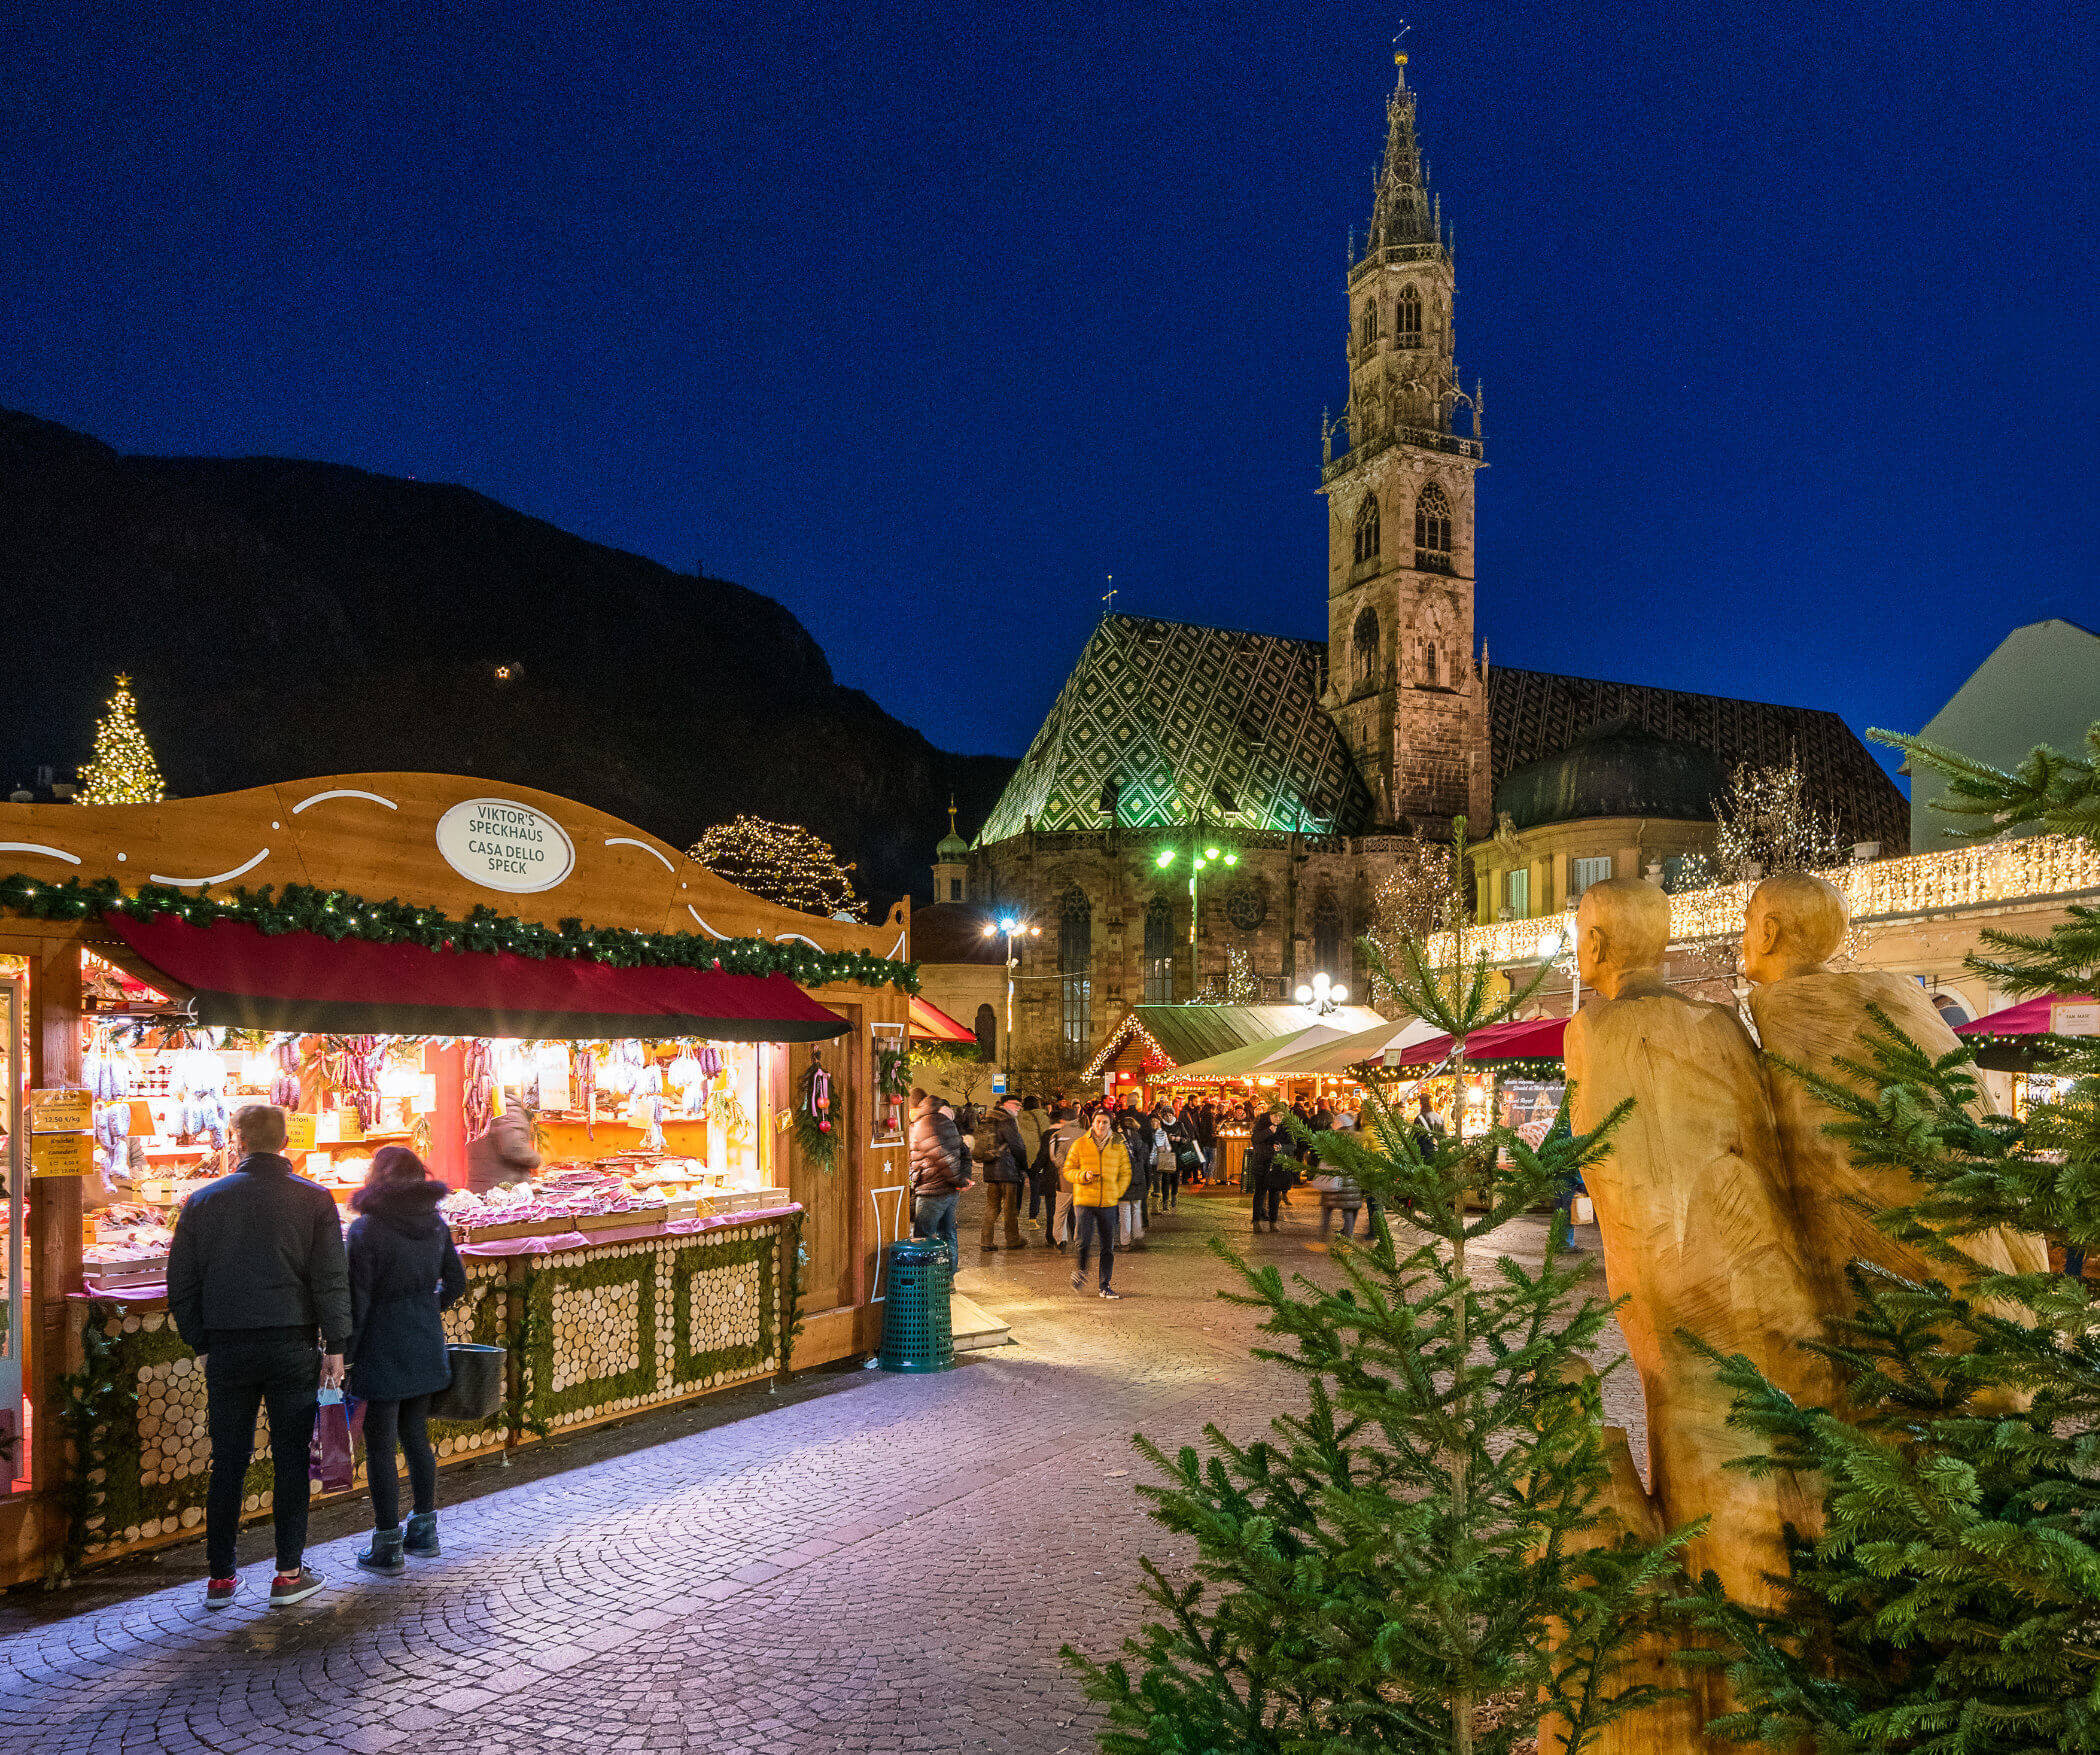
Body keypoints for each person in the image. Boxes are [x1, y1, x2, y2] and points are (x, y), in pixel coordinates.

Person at [166, 1103, 351, 1610]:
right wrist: (336, 1345)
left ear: (239, 1140)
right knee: (291, 1457)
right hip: (293, 1344)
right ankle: (288, 1575)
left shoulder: (203, 1201)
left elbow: (180, 1283)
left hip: (227, 1346)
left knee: (229, 1460)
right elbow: (331, 1279)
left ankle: (221, 1580)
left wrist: (201, 1342)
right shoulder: (315, 1199)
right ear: (286, 1139)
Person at [345, 1146, 466, 1575]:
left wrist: (347, 1356)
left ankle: (387, 1544)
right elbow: (455, 1282)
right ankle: (426, 1532)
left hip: (380, 1345)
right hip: (424, 1342)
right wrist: (426, 1307)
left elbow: (357, 1302)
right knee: (416, 1437)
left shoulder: (365, 1230)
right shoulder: (436, 1224)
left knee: (380, 1446)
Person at [1064, 1108, 1132, 1298]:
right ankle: (1081, 1270)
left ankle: (1105, 1285)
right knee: (1083, 1241)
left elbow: (1125, 1172)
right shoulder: (1080, 1144)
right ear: (1092, 1123)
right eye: (1098, 1122)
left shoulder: (1118, 1145)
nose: (1101, 1125)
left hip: (1108, 1203)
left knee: (1107, 1246)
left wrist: (1116, 1191)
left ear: (1110, 1125)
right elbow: (1068, 1170)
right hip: (1085, 1200)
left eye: (1105, 1122)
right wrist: (1082, 1176)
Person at [908, 1090, 971, 1270]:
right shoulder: (945, 1121)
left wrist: (958, 1179)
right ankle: (948, 1279)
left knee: (923, 1237)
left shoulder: (924, 1125)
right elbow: (964, 1151)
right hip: (950, 1191)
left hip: (932, 1191)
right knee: (948, 1234)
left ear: (917, 1106)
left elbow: (942, 1158)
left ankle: (924, 1279)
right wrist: (963, 1178)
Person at [974, 1095, 1030, 1250]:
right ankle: (1012, 1238)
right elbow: (1017, 1146)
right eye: (1016, 1104)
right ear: (1006, 1104)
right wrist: (1024, 1167)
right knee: (1010, 1207)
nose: (1019, 1107)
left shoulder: (987, 1118)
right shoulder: (1007, 1120)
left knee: (992, 1205)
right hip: (1007, 1169)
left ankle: (986, 1240)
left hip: (990, 1168)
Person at [465, 1109, 541, 1195]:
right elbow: (514, 1148)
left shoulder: (477, 1108)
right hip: (504, 1189)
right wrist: (536, 1159)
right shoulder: (507, 1107)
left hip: (481, 1186)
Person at [1046, 1103, 1083, 1247]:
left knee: (1061, 1211)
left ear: (1063, 1120)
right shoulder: (1085, 1134)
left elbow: (1053, 1157)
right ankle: (1079, 1238)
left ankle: (1060, 1239)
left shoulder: (1057, 1135)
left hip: (1064, 1179)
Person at [1246, 1112, 1285, 1231]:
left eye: (1280, 1116)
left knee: (1275, 1194)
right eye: (1275, 1116)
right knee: (1260, 1193)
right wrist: (1269, 1131)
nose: (1277, 1119)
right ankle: (1256, 1221)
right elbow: (1255, 1140)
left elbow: (1292, 1145)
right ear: (1270, 1115)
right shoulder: (1262, 1124)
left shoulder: (1284, 1127)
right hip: (1261, 1163)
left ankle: (1273, 1222)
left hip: (1276, 1165)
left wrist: (1281, 1147)